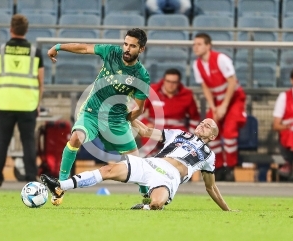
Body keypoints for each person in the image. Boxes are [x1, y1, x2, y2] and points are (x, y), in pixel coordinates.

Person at [46, 28, 150, 205]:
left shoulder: (142, 76)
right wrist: (58, 46)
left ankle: (146, 195)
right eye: (125, 44)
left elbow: (139, 109)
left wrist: (127, 118)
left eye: (132, 46)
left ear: (141, 49)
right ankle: (60, 186)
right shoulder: (111, 52)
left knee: (136, 161)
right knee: (76, 137)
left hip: (116, 119)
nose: (126, 48)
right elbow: (84, 48)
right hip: (92, 112)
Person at [41, 118, 234, 211]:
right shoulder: (178, 134)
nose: (202, 124)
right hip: (150, 164)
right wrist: (129, 115)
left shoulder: (209, 155)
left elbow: (211, 187)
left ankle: (146, 207)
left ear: (213, 136)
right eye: (202, 122)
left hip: (169, 177)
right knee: (108, 169)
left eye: (208, 125)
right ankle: (60, 186)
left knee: (157, 204)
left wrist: (227, 209)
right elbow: (145, 131)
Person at [0, 14, 44, 189]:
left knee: (2, 141)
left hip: (5, 103)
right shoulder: (35, 52)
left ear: (10, 29)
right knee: (28, 141)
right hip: (28, 104)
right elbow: (40, 82)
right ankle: (31, 178)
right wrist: (37, 104)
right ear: (26, 30)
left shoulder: (0, 50)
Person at [192, 33, 247, 181]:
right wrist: (213, 107)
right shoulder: (197, 64)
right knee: (210, 132)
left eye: (199, 44)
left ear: (208, 45)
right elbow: (205, 88)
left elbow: (232, 82)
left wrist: (224, 106)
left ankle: (231, 167)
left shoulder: (221, 59)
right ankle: (219, 166)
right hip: (217, 102)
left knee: (229, 132)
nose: (195, 47)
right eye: (194, 44)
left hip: (233, 99)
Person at [140, 68, 200, 156]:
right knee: (149, 138)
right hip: (155, 127)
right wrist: (146, 124)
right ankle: (151, 162)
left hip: (177, 129)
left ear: (179, 83)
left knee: (182, 151)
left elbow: (194, 117)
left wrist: (192, 136)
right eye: (168, 81)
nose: (170, 85)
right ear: (163, 80)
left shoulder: (187, 95)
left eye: (174, 82)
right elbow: (136, 112)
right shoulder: (152, 91)